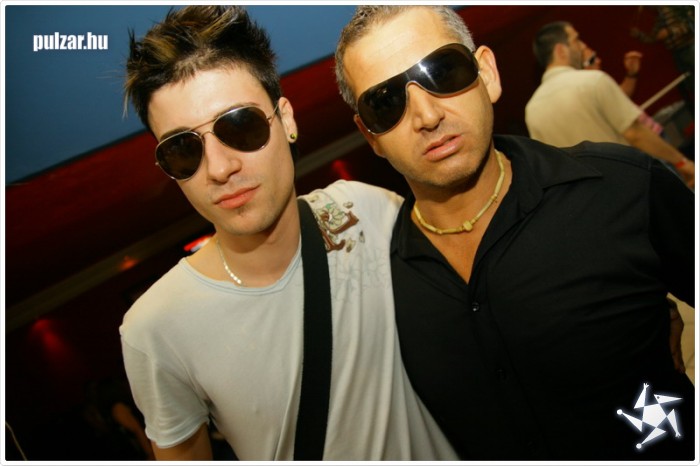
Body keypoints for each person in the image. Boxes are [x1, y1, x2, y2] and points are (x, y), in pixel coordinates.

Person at [334, 5, 695, 460]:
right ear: (370, 135)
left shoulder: (622, 188)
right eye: (386, 102)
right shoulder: (380, 287)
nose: (426, 115)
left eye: (442, 71)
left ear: (487, 73)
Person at [119, 5, 457, 461]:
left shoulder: (366, 211)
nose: (219, 168)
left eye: (240, 125)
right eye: (182, 149)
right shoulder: (156, 328)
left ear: (287, 119)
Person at [525, 21, 694, 188]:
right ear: (561, 50)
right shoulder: (593, 81)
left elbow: (552, 167)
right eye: (576, 40)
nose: (582, 46)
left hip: (592, 198)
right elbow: (635, 133)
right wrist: (682, 162)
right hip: (631, 184)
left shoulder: (532, 110)